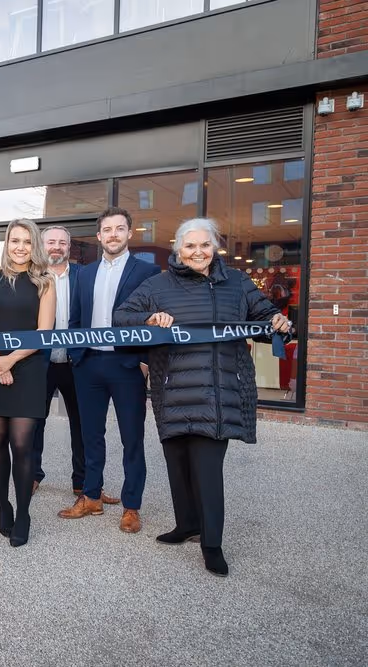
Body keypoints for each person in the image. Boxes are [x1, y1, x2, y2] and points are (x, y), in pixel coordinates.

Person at [114, 218, 291, 576]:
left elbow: (266, 318)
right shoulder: (158, 285)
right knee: (177, 465)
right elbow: (121, 318)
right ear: (178, 249)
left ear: (215, 248)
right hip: (172, 388)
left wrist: (279, 324)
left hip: (218, 391)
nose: (198, 252)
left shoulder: (237, 283)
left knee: (208, 471)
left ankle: (212, 544)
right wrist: (150, 318)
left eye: (205, 245)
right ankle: (186, 525)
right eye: (190, 246)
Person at [58, 207, 160, 533]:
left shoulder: (147, 272)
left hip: (127, 365)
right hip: (89, 365)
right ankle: (91, 496)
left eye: (119, 229)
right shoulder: (84, 274)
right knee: (91, 435)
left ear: (130, 233)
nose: (113, 234)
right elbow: (75, 319)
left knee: (132, 437)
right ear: (99, 236)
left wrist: (145, 361)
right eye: (107, 229)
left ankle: (131, 506)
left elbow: (155, 318)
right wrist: (77, 355)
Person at [0, 220, 55, 547]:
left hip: (28, 367)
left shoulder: (45, 283)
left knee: (22, 445)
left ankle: (23, 512)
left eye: (26, 241)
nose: (20, 247)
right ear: (7, 244)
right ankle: (3, 506)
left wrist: (10, 360)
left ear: (34, 245)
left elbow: (43, 333)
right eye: (14, 241)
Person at [31, 226, 85, 496]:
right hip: (40, 362)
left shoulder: (84, 276)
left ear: (69, 246)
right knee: (34, 420)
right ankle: (32, 475)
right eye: (51, 242)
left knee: (82, 423)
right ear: (41, 245)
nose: (56, 246)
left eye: (62, 242)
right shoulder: (32, 277)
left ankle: (83, 482)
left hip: (77, 363)